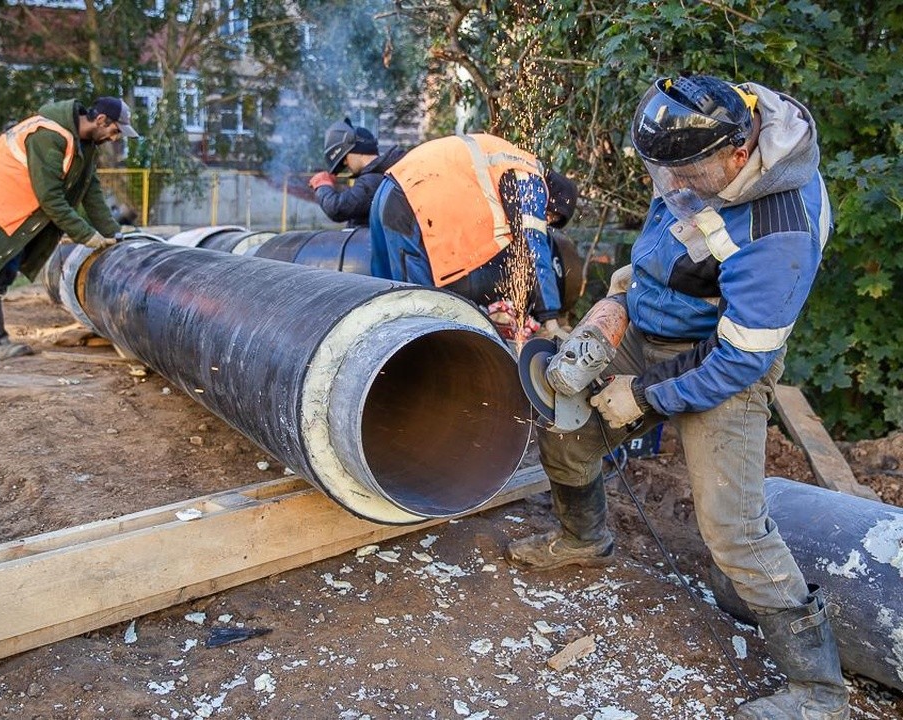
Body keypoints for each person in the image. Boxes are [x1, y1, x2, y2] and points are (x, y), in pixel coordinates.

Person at [506, 75, 845, 719]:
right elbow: (673, 233)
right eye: (662, 170)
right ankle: (585, 539)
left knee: (732, 528)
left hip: (721, 363)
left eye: (684, 172)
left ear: (739, 156)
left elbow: (740, 359)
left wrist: (645, 397)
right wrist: (618, 298)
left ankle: (818, 693)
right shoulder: (699, 137)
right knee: (565, 421)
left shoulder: (781, 234)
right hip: (651, 320)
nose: (669, 185)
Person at [0, 96, 137, 361]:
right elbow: (50, 199)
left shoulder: (86, 145)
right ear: (101, 120)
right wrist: (86, 235)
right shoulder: (48, 135)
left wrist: (112, 233)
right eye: (115, 131)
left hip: (11, 211)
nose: (115, 138)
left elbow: (90, 192)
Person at [367, 133, 578, 337]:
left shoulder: (510, 159)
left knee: (384, 304)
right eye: (550, 217)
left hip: (391, 188)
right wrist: (550, 319)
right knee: (420, 317)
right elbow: (533, 246)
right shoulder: (529, 176)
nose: (546, 221)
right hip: (412, 199)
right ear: (552, 196)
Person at [308, 118, 406, 227]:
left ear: (357, 151)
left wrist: (322, 185)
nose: (345, 163)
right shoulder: (383, 174)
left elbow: (338, 209)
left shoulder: (373, 180)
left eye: (345, 157)